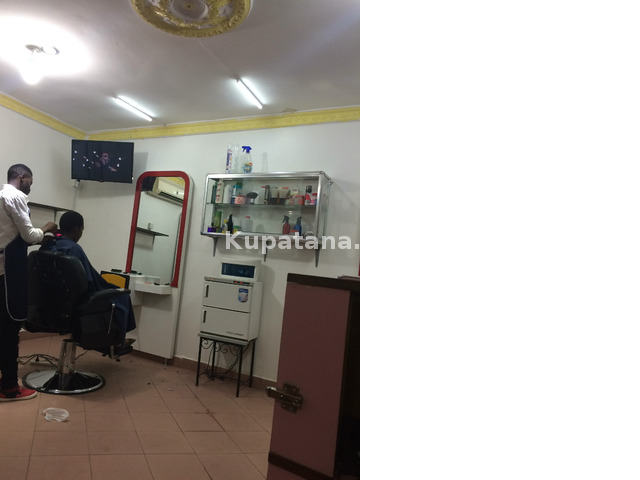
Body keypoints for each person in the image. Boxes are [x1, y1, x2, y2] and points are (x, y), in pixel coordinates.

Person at [40, 210, 136, 354]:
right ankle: (115, 342)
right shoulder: (74, 249)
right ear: (75, 230)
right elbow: (87, 283)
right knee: (121, 296)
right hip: (73, 307)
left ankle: (111, 341)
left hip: (48, 305)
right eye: (82, 230)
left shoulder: (47, 244)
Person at [0, 164, 57, 401]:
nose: (30, 187)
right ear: (22, 177)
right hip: (8, 275)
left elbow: (10, 236)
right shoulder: (14, 197)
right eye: (30, 182)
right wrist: (46, 228)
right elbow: (29, 234)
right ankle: (9, 388)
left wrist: (35, 239)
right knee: (9, 330)